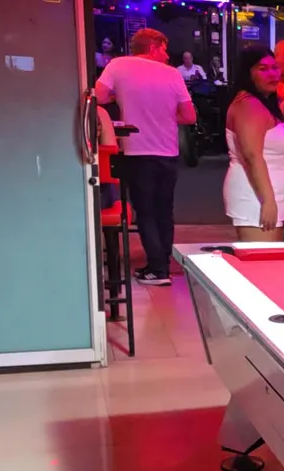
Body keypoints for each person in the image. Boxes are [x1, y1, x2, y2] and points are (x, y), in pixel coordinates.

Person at [95, 28, 196, 286]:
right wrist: (164, 116)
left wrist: (121, 96)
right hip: (167, 151)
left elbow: (99, 95)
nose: (167, 55)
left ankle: (157, 269)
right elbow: (189, 116)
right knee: (164, 210)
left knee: (146, 211)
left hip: (137, 150)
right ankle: (161, 264)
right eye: (164, 49)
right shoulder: (172, 74)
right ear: (152, 47)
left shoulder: (118, 65)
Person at [224, 47, 284, 240]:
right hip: (257, 198)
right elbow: (252, 156)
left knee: (271, 256)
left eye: (274, 67)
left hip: (271, 196)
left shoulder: (262, 103)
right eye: (263, 69)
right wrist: (268, 201)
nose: (272, 74)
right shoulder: (248, 104)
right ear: (248, 72)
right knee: (262, 257)